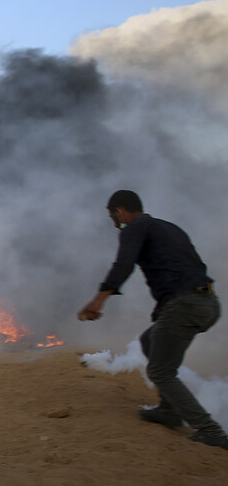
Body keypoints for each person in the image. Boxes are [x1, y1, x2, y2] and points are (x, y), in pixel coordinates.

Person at [78, 190, 227, 449]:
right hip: (208, 303)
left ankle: (210, 431)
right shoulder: (168, 228)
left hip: (185, 304)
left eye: (112, 215)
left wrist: (100, 299)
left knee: (160, 371)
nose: (113, 222)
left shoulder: (134, 227)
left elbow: (123, 264)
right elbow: (189, 267)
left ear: (120, 211)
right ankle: (169, 408)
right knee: (149, 341)